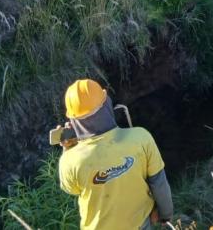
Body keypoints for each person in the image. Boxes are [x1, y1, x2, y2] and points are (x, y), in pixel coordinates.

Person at [56, 79, 174, 229]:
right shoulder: (141, 138)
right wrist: (165, 215)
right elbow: (159, 183)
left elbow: (70, 188)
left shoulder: (70, 160)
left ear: (73, 120)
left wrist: (68, 150)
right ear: (106, 104)